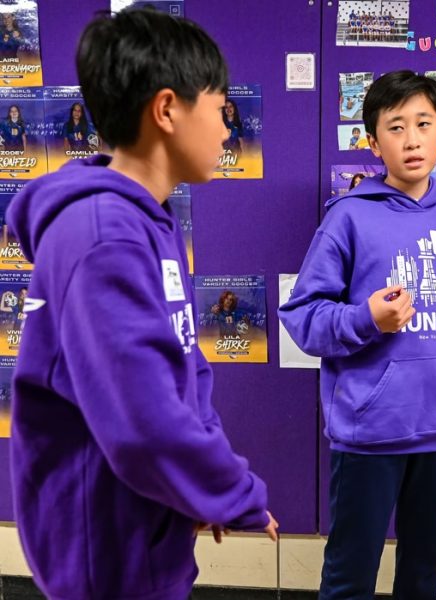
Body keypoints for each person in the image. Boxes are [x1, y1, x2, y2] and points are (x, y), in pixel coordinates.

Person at [5, 8, 278, 600]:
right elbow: (143, 425)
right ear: (167, 110)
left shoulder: (150, 221)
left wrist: (198, 488)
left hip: (148, 529)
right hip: (105, 551)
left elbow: (185, 367)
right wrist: (234, 493)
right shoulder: (103, 236)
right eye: (220, 108)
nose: (227, 130)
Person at [279, 70, 436, 600]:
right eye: (396, 126)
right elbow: (302, 317)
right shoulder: (347, 219)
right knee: (350, 571)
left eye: (424, 124)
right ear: (373, 142)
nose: (411, 140)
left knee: (424, 568)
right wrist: (366, 320)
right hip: (368, 430)